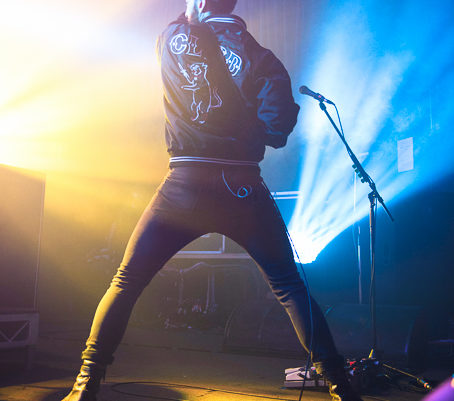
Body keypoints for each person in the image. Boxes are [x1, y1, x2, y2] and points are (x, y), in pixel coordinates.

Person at [62, 1, 362, 400]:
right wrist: (243, 129)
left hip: (185, 183)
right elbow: (277, 133)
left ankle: (85, 383)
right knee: (289, 286)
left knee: (127, 281)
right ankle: (341, 386)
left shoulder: (171, 37)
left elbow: (187, 25)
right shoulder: (263, 60)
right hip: (241, 184)